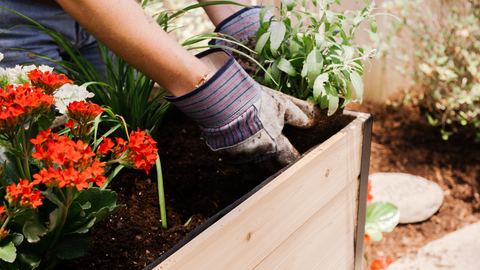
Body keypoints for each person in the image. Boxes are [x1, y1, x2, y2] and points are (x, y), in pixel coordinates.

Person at [0, 0, 320, 171]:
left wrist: (238, 20)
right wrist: (203, 86)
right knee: (33, 165)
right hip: (18, 17)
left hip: (118, 11)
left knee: (119, 132)